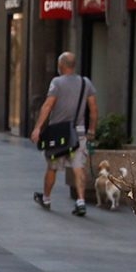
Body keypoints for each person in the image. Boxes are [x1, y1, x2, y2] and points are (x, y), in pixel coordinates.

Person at [29, 51, 98, 217]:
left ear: (61, 66)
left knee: (52, 167)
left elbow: (47, 106)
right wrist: (92, 130)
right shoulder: (85, 82)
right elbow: (94, 109)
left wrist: (38, 128)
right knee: (78, 167)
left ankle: (46, 198)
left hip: (58, 136)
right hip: (78, 134)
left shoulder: (57, 82)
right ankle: (81, 201)